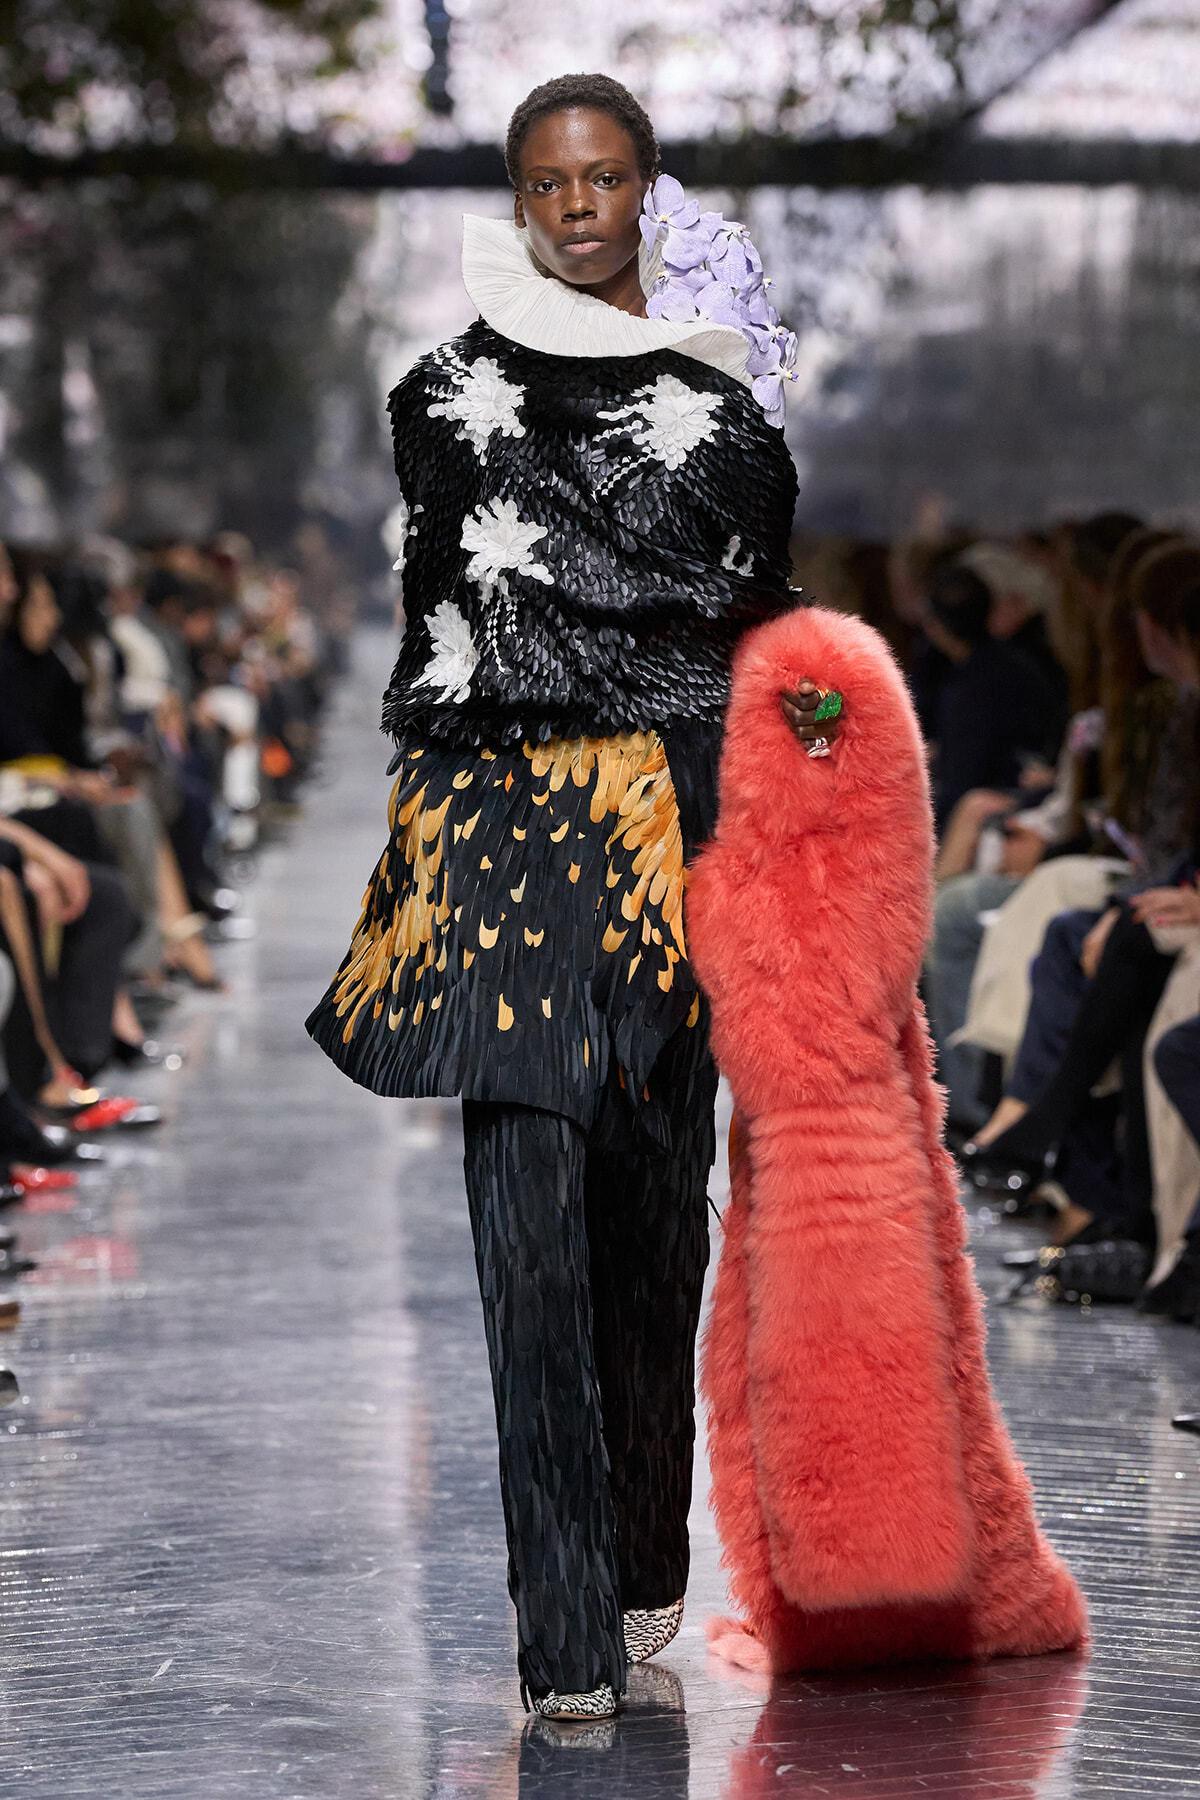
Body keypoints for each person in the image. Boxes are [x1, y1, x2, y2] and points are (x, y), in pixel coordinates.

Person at [307, 74, 836, 1721]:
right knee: (524, 1222)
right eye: (548, 183)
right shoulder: (442, 396)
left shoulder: (729, 413)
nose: (578, 206)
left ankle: (641, 1546)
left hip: (669, 830)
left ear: (644, 189)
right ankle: (563, 1635)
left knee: (652, 1205)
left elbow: (746, 608)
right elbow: (457, 603)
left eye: (604, 178)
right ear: (519, 200)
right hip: (499, 821)